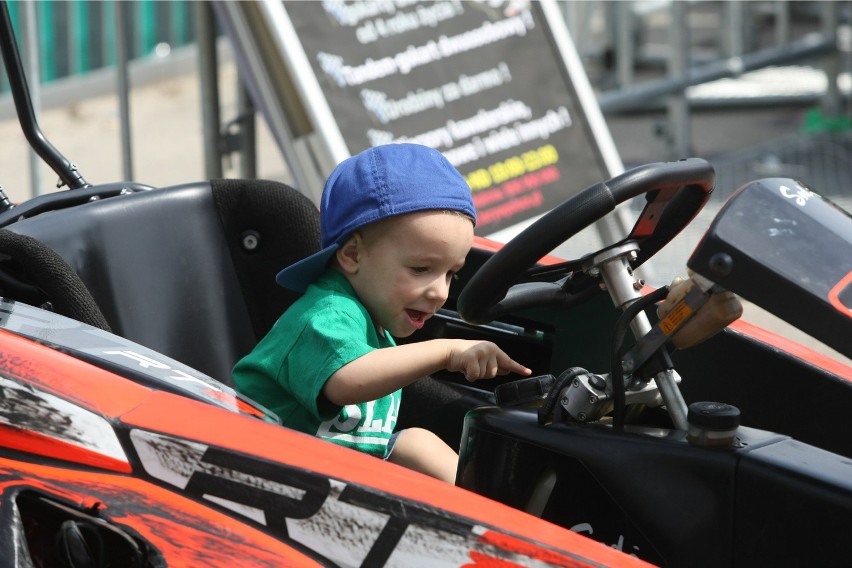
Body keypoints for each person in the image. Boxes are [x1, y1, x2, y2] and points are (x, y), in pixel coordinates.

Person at [233, 143, 530, 484]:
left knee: (416, 444)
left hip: (334, 478)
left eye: (451, 274)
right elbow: (348, 381)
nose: (441, 292)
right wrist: (447, 351)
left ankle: (498, 514)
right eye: (421, 268)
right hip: (258, 476)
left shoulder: (373, 319)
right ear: (353, 255)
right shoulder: (325, 315)